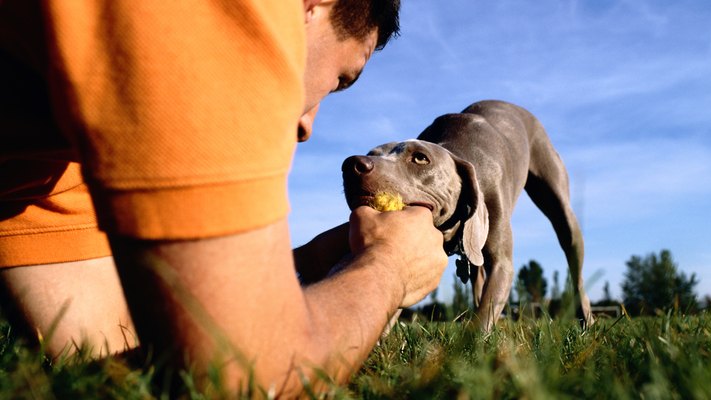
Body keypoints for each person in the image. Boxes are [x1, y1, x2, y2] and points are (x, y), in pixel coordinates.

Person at [0, 0, 447, 396]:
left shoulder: (43, 149)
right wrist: (388, 267)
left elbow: (104, 351)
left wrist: (311, 265)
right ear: (313, 5)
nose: (307, 125)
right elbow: (244, 378)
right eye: (339, 80)